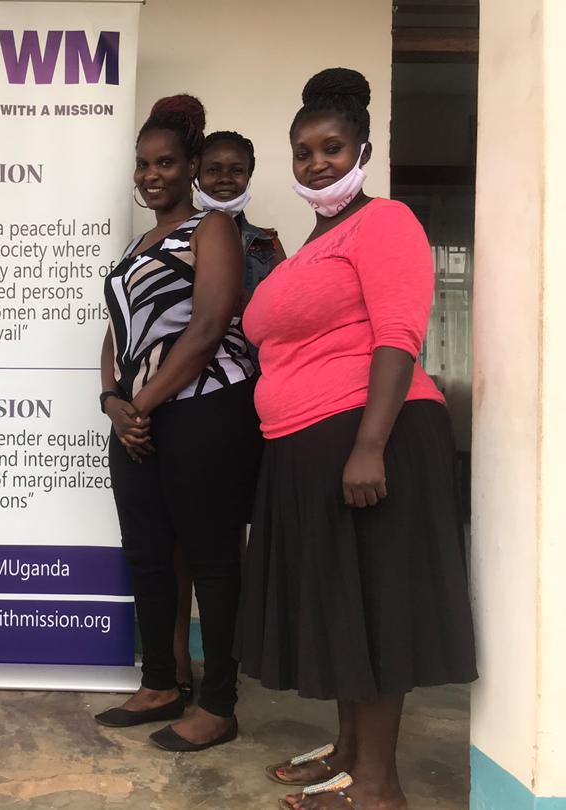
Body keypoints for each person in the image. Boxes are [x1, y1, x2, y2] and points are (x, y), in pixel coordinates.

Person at [236, 68, 477, 810]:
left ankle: (377, 787)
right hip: (305, 448)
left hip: (373, 440)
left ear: (362, 148)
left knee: (375, 613)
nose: (317, 164)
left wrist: (369, 445)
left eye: (332, 148)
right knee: (342, 610)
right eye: (303, 152)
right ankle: (348, 754)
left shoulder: (386, 222)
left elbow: (399, 336)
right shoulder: (310, 246)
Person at [93, 95, 262, 752]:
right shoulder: (138, 244)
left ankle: (219, 704)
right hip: (138, 423)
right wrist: (113, 401)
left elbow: (209, 326)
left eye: (165, 162)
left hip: (203, 415)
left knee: (214, 561)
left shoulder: (210, 230)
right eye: (142, 164)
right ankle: (161, 682)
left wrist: (144, 403)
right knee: (149, 557)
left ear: (190, 165)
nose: (151, 174)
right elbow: (117, 335)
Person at [173, 130, 286, 699]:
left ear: (250, 172)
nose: (224, 179)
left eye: (235, 169)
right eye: (213, 169)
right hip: (182, 395)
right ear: (196, 173)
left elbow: (281, 322)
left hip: (244, 399)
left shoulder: (266, 245)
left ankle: (226, 669)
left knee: (223, 540)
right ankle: (176, 663)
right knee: (181, 540)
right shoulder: (175, 237)